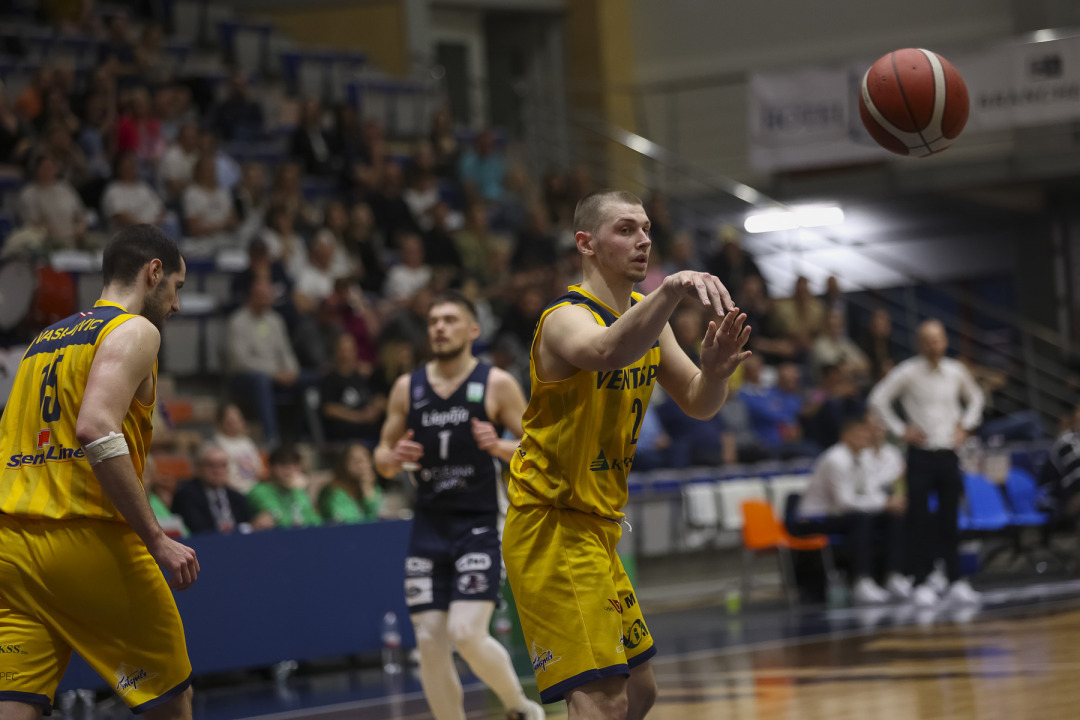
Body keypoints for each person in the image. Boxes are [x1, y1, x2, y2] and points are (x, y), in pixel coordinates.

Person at [503, 190, 751, 718]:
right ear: (586, 244)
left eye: (645, 229)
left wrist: (716, 373)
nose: (642, 240)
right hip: (551, 524)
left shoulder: (646, 317)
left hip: (598, 527)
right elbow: (606, 351)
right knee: (605, 699)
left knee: (641, 692)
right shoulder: (564, 318)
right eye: (625, 229)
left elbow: (698, 403)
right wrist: (673, 288)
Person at [0, 225, 198, 718]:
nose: (176, 304)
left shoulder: (41, 342)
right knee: (171, 699)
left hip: (11, 549)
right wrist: (157, 539)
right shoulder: (135, 330)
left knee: (15, 703)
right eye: (176, 287)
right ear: (153, 272)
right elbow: (96, 428)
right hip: (86, 539)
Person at [373, 291, 543, 720]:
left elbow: (538, 447)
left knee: (465, 632)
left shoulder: (496, 383)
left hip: (479, 524)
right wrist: (392, 459)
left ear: (473, 329)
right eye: (433, 321)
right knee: (429, 642)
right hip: (428, 527)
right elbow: (382, 456)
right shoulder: (407, 388)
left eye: (450, 319)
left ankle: (519, 707)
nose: (439, 328)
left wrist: (499, 446)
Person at [868, 319, 985, 608]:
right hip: (920, 453)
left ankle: (955, 579)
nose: (935, 345)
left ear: (945, 341)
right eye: (929, 340)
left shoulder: (956, 371)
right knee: (918, 520)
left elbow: (976, 398)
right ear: (919, 344)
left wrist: (966, 426)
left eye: (939, 339)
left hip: (948, 452)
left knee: (950, 519)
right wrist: (901, 429)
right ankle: (920, 580)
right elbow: (878, 399)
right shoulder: (907, 372)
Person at [795, 416, 909, 605]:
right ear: (845, 436)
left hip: (843, 515)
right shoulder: (835, 459)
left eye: (866, 434)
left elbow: (870, 490)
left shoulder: (863, 457)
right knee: (862, 519)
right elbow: (844, 503)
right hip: (815, 518)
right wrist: (884, 503)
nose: (865, 438)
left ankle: (894, 575)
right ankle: (861, 581)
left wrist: (888, 503)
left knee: (893, 518)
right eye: (859, 434)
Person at [171, 443, 268, 535]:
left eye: (223, 465)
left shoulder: (236, 497)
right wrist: (246, 528)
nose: (218, 471)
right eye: (211, 465)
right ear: (198, 467)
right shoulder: (186, 495)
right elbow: (200, 531)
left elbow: (248, 525)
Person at [246, 446, 322, 528]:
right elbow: (277, 519)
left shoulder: (298, 491)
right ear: (272, 467)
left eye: (295, 464)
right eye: (284, 464)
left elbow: (315, 521)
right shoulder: (260, 491)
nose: (290, 469)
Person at [319, 443, 383, 524]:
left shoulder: (373, 489)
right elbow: (349, 524)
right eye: (357, 461)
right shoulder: (334, 492)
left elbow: (379, 521)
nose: (363, 465)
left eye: (366, 460)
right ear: (344, 464)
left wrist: (367, 490)